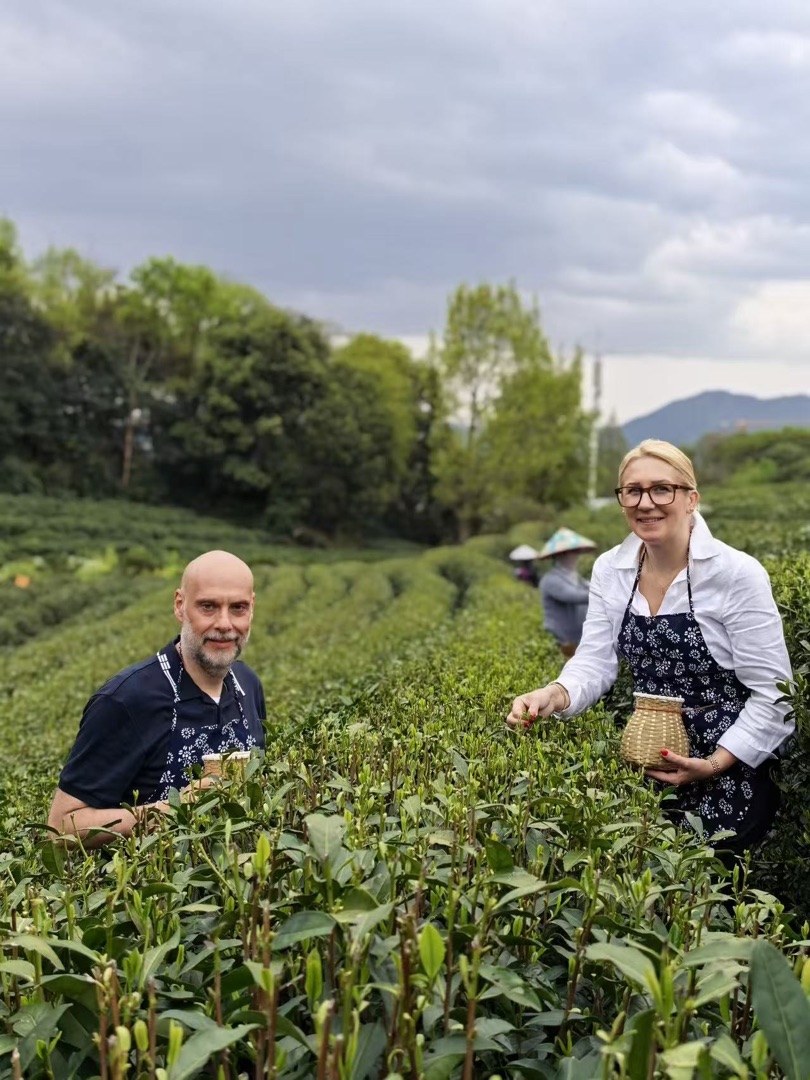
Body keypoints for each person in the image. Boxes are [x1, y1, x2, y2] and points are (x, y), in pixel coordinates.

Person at [506, 440, 794, 856]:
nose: (646, 503)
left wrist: (712, 764)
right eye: (632, 491)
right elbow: (593, 662)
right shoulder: (611, 569)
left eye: (663, 489)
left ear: (691, 498)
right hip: (647, 760)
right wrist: (553, 694)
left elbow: (775, 695)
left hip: (729, 771)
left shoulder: (736, 574)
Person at [48, 550, 266, 845]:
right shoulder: (127, 700)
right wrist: (173, 810)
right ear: (180, 606)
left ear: (252, 607)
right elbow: (62, 827)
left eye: (238, 608)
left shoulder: (247, 684)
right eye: (208, 607)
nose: (225, 624)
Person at [538, 528, 596, 656]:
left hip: (578, 637)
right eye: (574, 552)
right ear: (561, 554)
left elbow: (590, 586)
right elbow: (573, 596)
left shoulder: (575, 576)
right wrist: (603, 593)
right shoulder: (551, 579)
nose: (577, 556)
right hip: (562, 639)